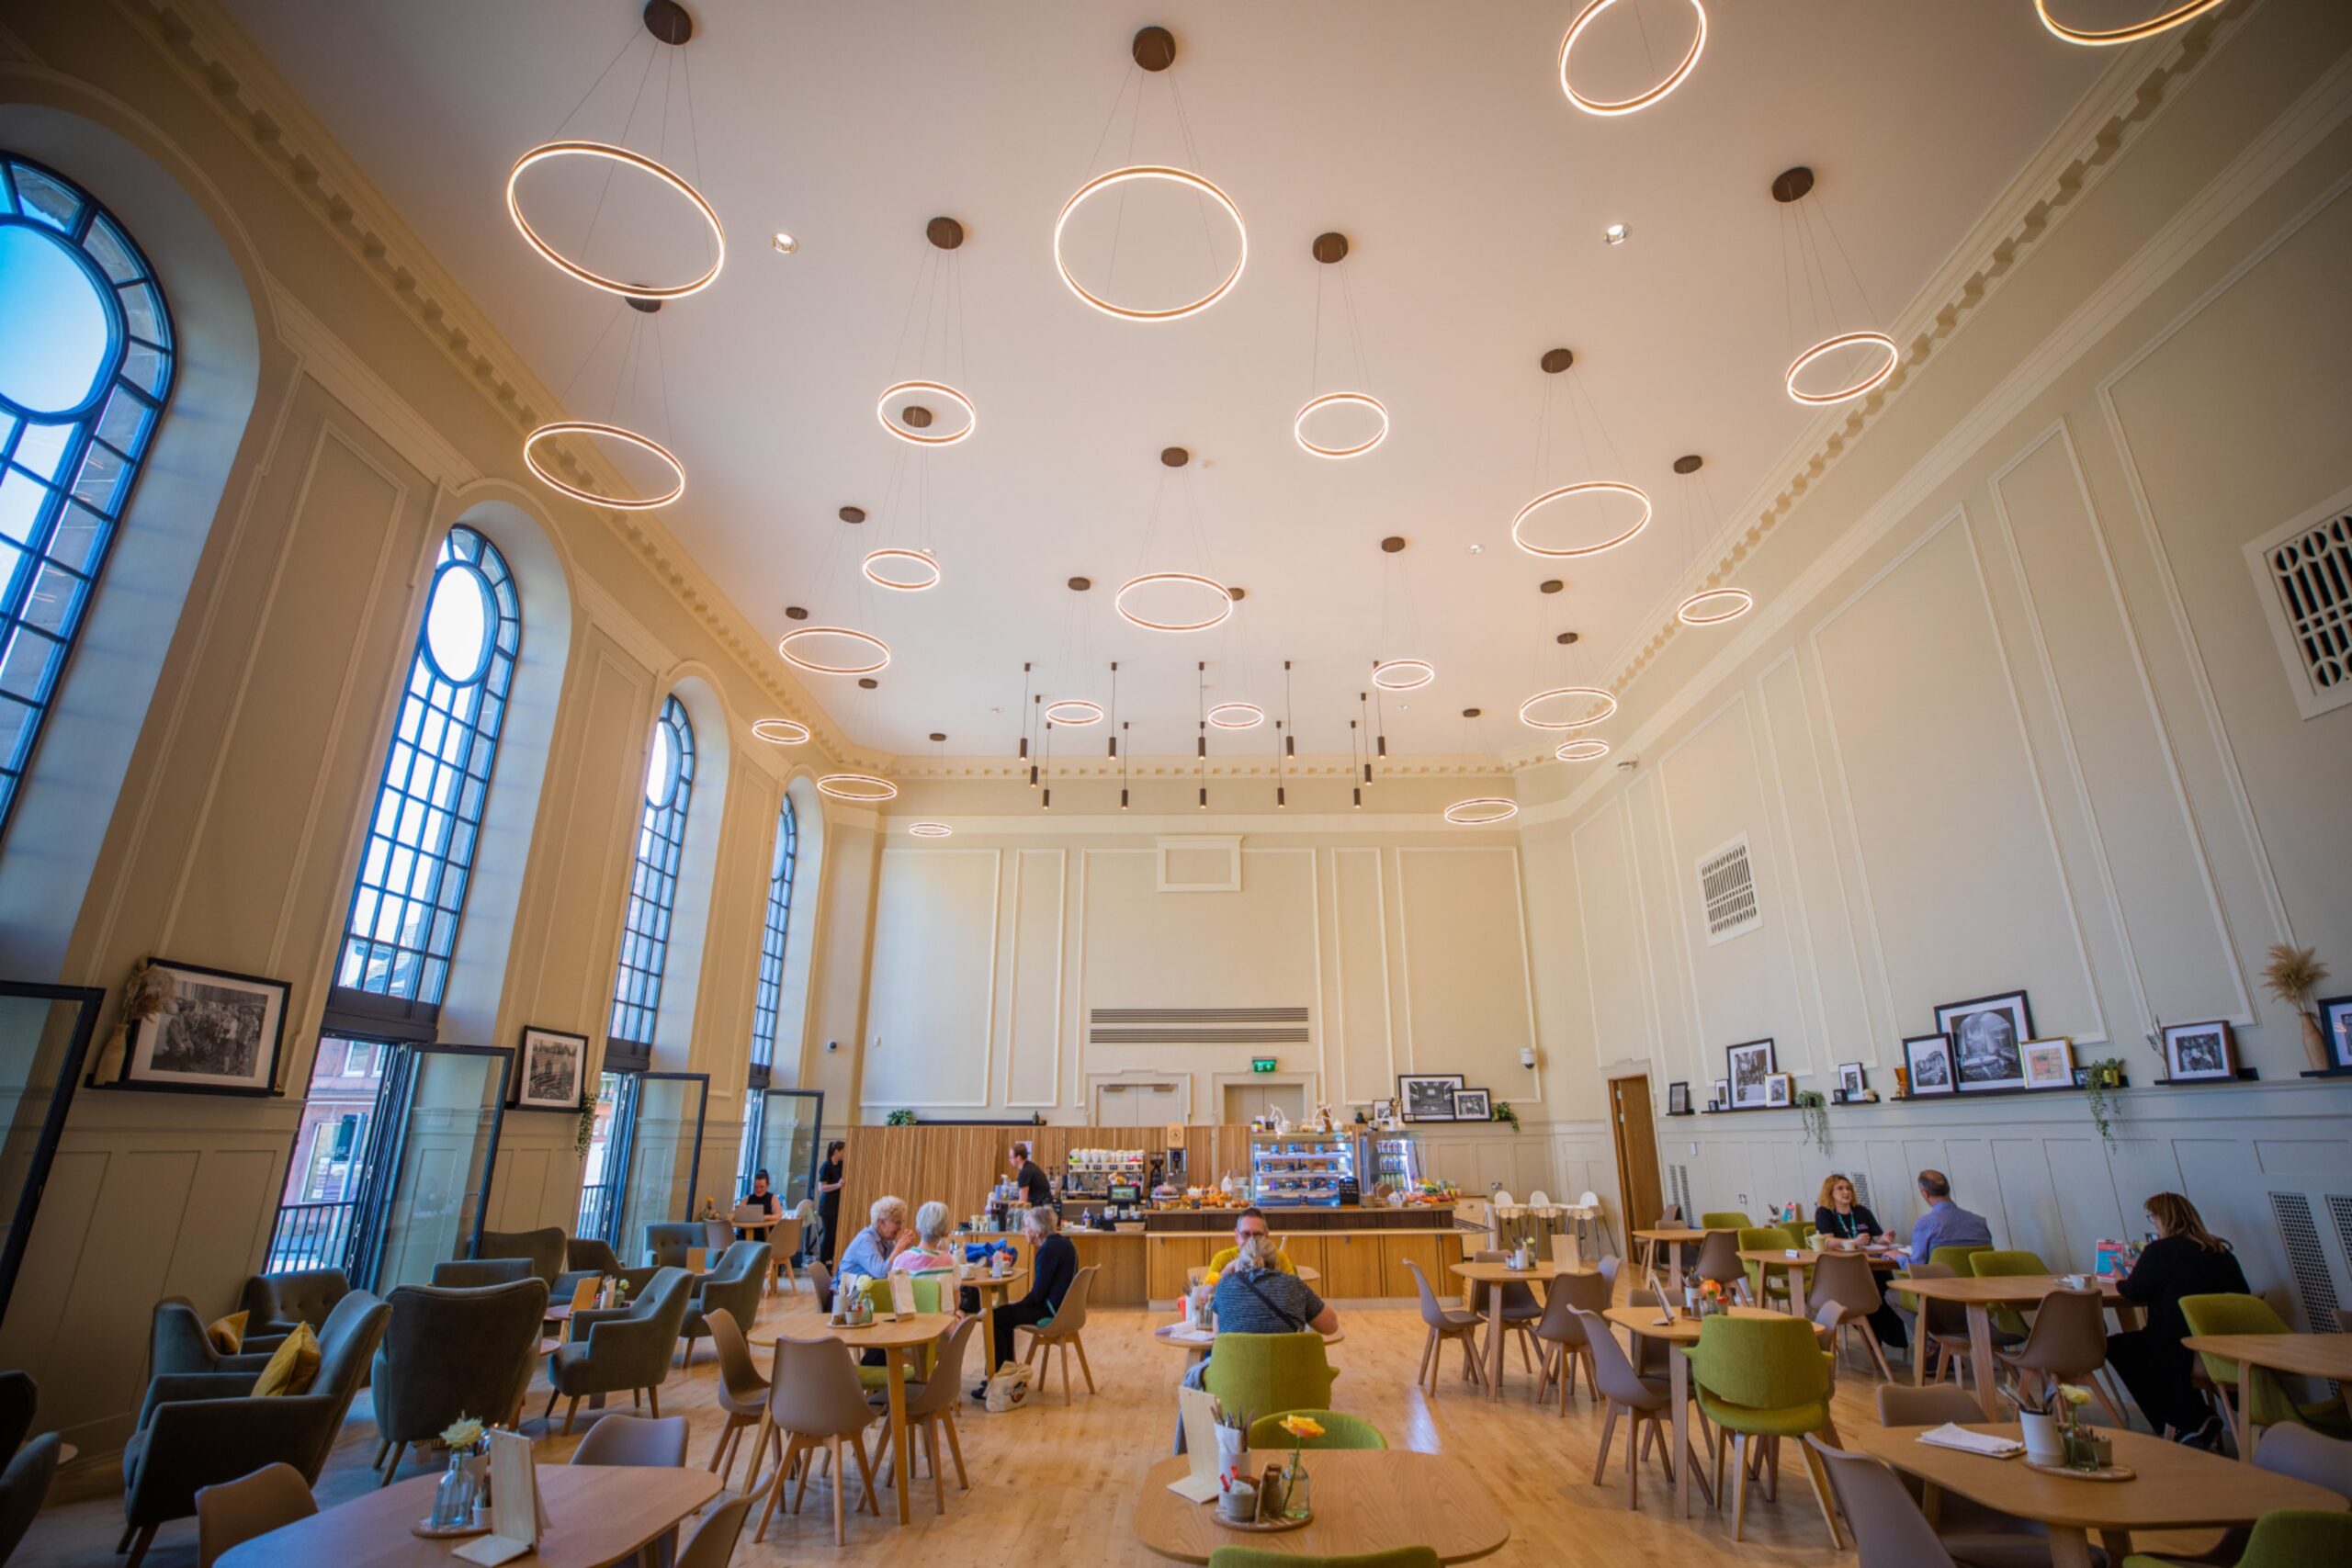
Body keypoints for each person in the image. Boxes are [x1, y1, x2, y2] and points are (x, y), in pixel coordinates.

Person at [2109, 1192, 2247, 1447]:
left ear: (2163, 1218)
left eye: (2153, 1217)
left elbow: (2134, 1292)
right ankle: (2192, 1417)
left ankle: (2185, 1421)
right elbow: (2244, 1298)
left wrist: (2120, 1278)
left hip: (2180, 1351)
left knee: (2119, 1347)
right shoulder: (2220, 1250)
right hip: (2229, 1351)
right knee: (2146, 1345)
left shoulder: (2160, 1250)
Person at [981, 1203, 1076, 1390]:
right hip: (1063, 1308)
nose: (1024, 1231)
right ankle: (1005, 1374)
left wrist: (1019, 1305)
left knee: (997, 1317)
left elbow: (1037, 1295)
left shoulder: (1048, 1250)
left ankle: (997, 1382)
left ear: (1038, 1231)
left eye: (1026, 1227)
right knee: (1004, 1315)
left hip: (1051, 1311)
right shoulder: (1064, 1243)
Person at [1814, 1174, 1905, 1349]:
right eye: (1840, 1189)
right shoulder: (1824, 1212)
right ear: (1830, 1192)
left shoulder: (1862, 1211)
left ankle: (1889, 1337)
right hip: (1842, 1269)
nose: (1845, 1192)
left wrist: (1884, 1240)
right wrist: (1852, 1242)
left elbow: (1876, 1238)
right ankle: (1875, 1336)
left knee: (1883, 1283)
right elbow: (1828, 1241)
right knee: (1873, 1286)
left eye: (1848, 1188)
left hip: (1867, 1262)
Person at [1906, 1168, 1994, 1261]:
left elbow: (1916, 1263)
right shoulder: (1980, 1222)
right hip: (1978, 1275)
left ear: (1925, 1194)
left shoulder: (1925, 1223)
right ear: (1948, 1189)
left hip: (1940, 1276)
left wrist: (1898, 1256)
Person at [1205, 1208, 1297, 1284]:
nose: (1251, 1241)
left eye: (1257, 1235)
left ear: (1267, 1236)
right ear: (1237, 1236)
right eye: (1246, 1234)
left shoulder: (1279, 1257)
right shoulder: (1221, 1259)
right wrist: (1227, 1271)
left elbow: (1295, 1292)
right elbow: (1204, 1297)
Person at [838, 1193, 911, 1284]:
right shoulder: (865, 1240)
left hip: (867, 1292)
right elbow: (881, 1273)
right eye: (897, 1222)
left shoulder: (888, 1240)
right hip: (850, 1294)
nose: (900, 1227)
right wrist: (898, 1249)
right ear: (882, 1222)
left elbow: (895, 1267)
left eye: (901, 1222)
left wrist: (903, 1250)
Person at [891, 1201, 961, 1274]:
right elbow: (955, 1285)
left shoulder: (899, 1261)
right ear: (944, 1232)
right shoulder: (951, 1264)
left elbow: (894, 1284)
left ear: (918, 1229)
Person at [814, 1140, 845, 1266]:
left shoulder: (841, 1165)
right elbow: (822, 1187)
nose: (844, 1153)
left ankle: (830, 1260)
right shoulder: (826, 1166)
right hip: (827, 1205)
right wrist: (837, 1185)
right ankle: (823, 1261)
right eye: (842, 1151)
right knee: (828, 1234)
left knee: (833, 1234)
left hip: (836, 1204)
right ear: (836, 1151)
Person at [736, 1168, 778, 1241]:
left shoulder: (773, 1198)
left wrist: (765, 1217)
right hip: (746, 1233)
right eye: (756, 1187)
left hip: (764, 1234)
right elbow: (737, 1213)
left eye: (761, 1187)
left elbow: (778, 1215)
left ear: (767, 1186)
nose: (758, 1190)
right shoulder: (747, 1198)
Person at [1011, 1140, 1053, 1209]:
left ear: (1018, 1158)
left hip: (1039, 1210)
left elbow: (1022, 1202)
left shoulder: (1024, 1173)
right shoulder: (1032, 1167)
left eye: (1011, 1157)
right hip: (1046, 1207)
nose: (1010, 1160)